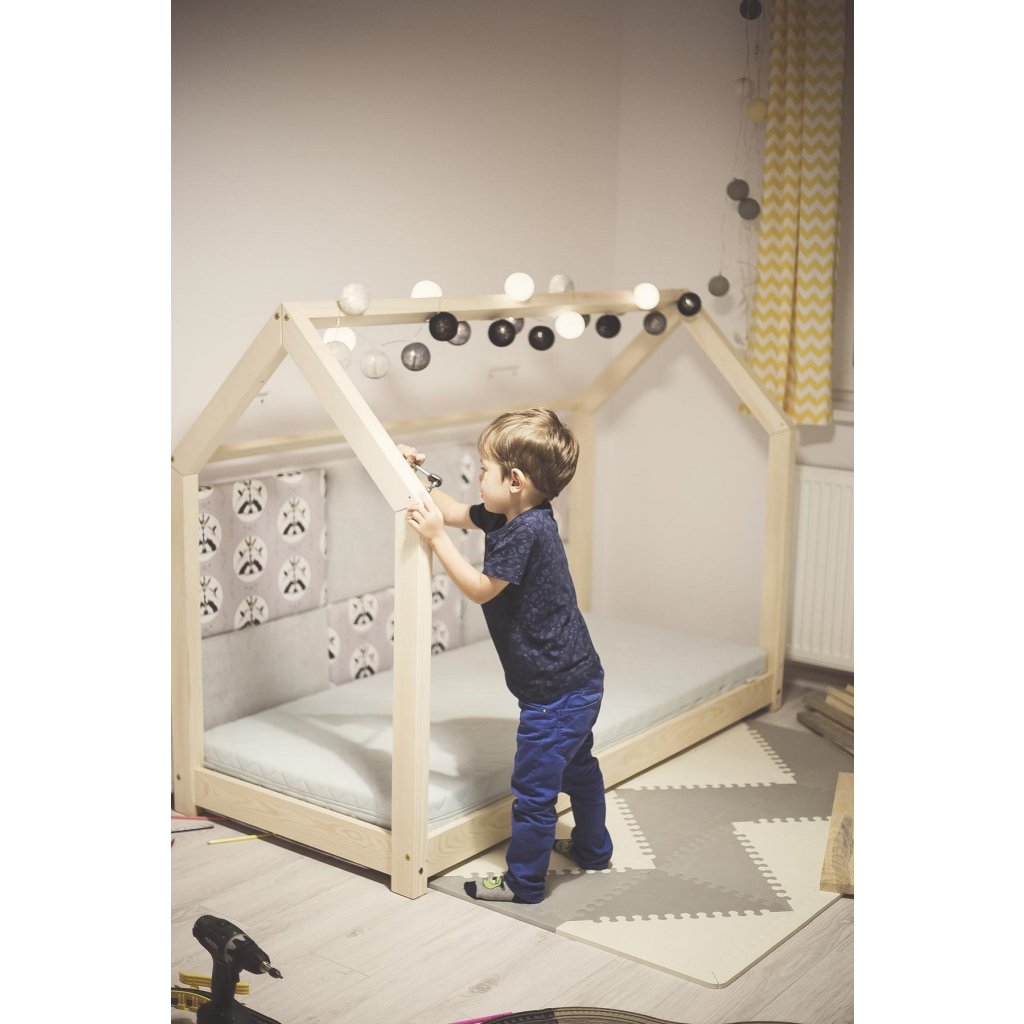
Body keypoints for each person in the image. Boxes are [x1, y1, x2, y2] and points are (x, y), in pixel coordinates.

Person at [400, 408, 613, 904]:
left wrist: (435, 539)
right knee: (580, 769)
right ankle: (593, 849)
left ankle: (525, 883)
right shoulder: (513, 515)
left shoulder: (525, 532)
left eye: (483, 470)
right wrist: (410, 474)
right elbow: (454, 510)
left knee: (534, 792)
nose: (477, 478)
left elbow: (479, 588)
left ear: (514, 481)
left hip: (553, 695)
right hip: (580, 679)